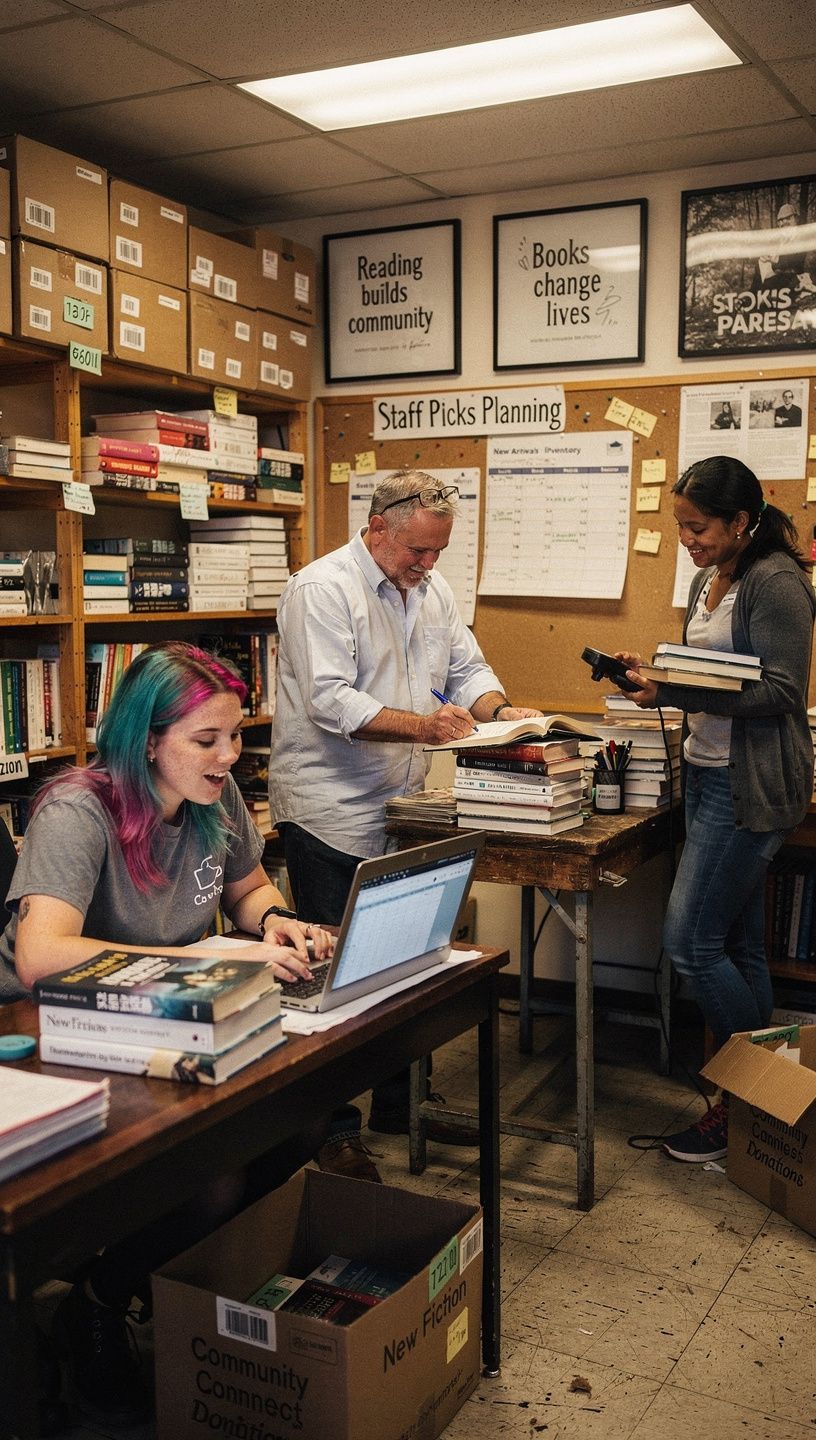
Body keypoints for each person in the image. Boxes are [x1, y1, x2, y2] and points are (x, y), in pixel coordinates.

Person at [0, 641, 333, 1423]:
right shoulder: (77, 809)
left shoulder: (215, 803)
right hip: (54, 1031)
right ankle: (98, 1302)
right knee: (209, 1173)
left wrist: (279, 922)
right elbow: (45, 954)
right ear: (148, 740)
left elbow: (247, 886)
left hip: (169, 1016)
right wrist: (192, 956)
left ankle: (132, 1279)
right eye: (206, 740)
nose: (228, 757)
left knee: (303, 1120)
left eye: (236, 737)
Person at [269, 469, 542, 1178]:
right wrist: (424, 727)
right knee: (332, 976)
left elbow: (466, 665)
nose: (427, 566)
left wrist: (500, 712)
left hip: (402, 801)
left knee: (400, 965)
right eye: (417, 551)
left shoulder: (431, 587)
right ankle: (333, 1130)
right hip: (330, 804)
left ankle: (400, 1102)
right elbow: (332, 701)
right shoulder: (321, 589)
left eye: (438, 552)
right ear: (378, 525)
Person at [616, 456, 815, 1163]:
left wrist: (675, 693)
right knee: (735, 944)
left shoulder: (778, 582)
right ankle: (765, 1113)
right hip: (703, 774)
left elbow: (782, 693)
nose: (687, 541)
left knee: (688, 943)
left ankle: (750, 1100)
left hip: (751, 784)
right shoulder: (708, 579)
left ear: (740, 522)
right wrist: (657, 676)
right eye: (678, 527)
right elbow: (709, 675)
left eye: (698, 528)